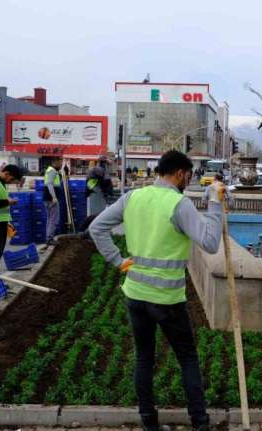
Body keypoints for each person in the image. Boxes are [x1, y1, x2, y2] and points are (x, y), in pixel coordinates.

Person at [89, 150, 225, 431]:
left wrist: (117, 261)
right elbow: (210, 243)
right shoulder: (179, 203)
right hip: (167, 299)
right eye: (188, 175)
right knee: (187, 357)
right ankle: (200, 422)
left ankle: (149, 422)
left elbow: (97, 227)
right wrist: (214, 202)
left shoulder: (133, 197)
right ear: (179, 174)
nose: (189, 180)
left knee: (143, 357)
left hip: (136, 295)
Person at [43, 157, 64, 247]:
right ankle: (49, 239)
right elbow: (49, 184)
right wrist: (54, 197)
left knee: (50, 219)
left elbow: (56, 183)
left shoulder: (53, 170)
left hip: (48, 198)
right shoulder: (52, 170)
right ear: (55, 162)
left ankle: (49, 238)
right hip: (51, 199)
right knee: (54, 219)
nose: (61, 164)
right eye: (60, 162)